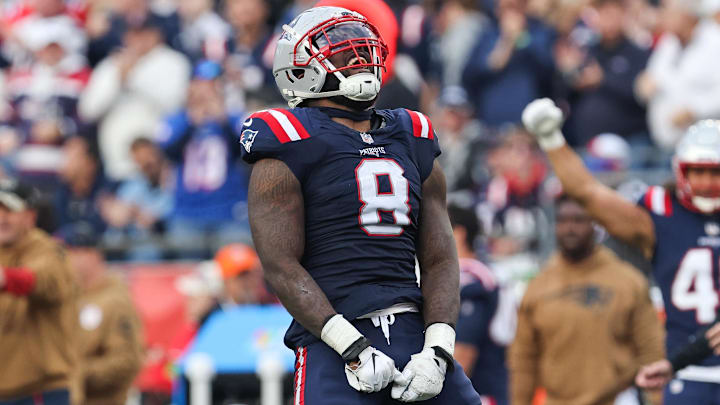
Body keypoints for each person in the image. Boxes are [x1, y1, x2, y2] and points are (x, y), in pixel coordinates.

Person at [241, 6, 481, 404]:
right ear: (298, 67)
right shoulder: (285, 138)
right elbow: (281, 266)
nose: (358, 55)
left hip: (415, 333)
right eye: (338, 48)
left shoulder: (412, 132)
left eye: (360, 44)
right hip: (332, 338)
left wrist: (438, 350)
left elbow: (440, 256)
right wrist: (350, 346)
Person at [521, 97, 720, 404]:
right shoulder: (660, 214)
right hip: (686, 370)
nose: (707, 183)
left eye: (715, 173)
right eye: (698, 172)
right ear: (681, 172)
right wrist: (552, 140)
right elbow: (587, 193)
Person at [509, 194, 664, 405]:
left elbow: (652, 351)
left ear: (596, 225)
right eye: (562, 221)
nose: (569, 228)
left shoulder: (628, 282)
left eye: (578, 220)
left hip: (617, 399)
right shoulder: (538, 287)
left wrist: (655, 399)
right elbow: (523, 359)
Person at [0, 179, 78, 404]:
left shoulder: (47, 250)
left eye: (10, 211)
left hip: (40, 390)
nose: (2, 218)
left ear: (30, 216)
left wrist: (7, 279)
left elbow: (44, 280)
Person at [64, 225, 144, 405]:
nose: (67, 260)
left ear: (91, 254)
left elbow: (127, 361)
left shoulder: (115, 300)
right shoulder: (71, 296)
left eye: (72, 252)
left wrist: (77, 373)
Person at [449, 204, 513, 405]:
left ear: (458, 234)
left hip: (480, 394)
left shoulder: (471, 280)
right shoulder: (482, 272)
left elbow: (463, 355)